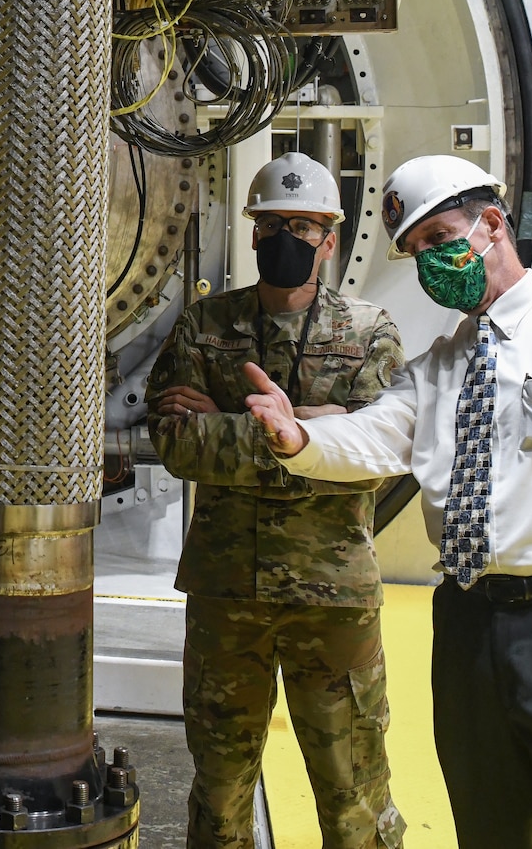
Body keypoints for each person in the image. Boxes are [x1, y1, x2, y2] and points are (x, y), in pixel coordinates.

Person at [245, 154, 532, 849]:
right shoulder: (437, 367)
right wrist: (297, 436)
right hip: (467, 627)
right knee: (490, 826)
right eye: (415, 251)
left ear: (492, 224)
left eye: (439, 240)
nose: (429, 261)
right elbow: (372, 436)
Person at [150, 151, 408, 849]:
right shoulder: (206, 325)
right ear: (253, 232)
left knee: (354, 791)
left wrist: (229, 425)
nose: (286, 236)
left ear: (331, 237)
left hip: (334, 597)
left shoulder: (368, 331)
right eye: (271, 224)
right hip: (227, 595)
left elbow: (376, 457)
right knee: (221, 788)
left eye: (304, 224)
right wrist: (315, 429)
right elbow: (175, 444)